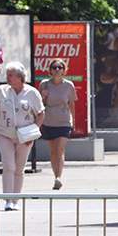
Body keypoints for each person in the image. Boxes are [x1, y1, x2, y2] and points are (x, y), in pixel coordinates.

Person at [0, 62, 44, 210]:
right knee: (9, 166)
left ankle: (16, 200)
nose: (7, 78)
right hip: (5, 134)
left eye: (11, 75)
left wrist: (34, 132)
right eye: (7, 75)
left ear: (20, 77)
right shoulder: (2, 90)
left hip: (25, 136)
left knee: (19, 168)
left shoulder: (32, 93)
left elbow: (41, 113)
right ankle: (8, 200)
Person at [38, 59, 78, 190]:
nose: (57, 70)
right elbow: (39, 105)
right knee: (53, 151)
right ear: (50, 70)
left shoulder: (68, 85)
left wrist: (74, 120)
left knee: (60, 149)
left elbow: (71, 103)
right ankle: (55, 176)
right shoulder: (44, 84)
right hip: (49, 121)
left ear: (64, 70)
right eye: (54, 67)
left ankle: (58, 178)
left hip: (64, 122)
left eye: (60, 67)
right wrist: (43, 97)